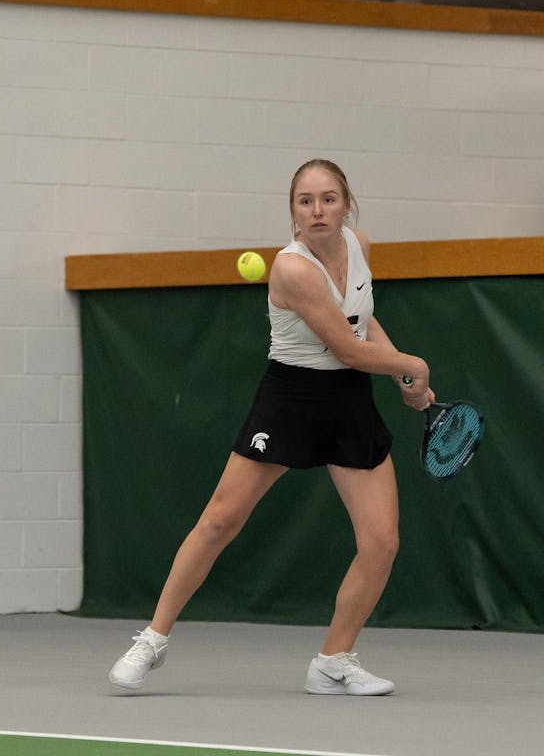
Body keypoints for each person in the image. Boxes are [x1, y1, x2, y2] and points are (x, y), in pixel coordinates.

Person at [108, 158, 435, 696]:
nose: (318, 210)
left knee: (381, 541)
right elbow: (349, 350)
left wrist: (401, 369)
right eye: (305, 201)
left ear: (347, 203)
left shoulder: (359, 246)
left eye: (328, 198)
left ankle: (334, 659)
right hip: (291, 397)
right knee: (220, 520)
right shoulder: (292, 269)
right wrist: (413, 367)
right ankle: (152, 639)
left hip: (348, 401)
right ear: (292, 212)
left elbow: (362, 318)